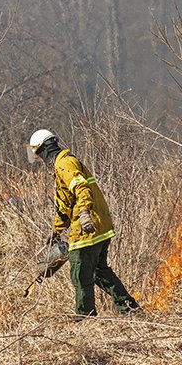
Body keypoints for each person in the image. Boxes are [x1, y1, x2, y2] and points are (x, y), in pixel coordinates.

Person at [28, 129, 140, 317]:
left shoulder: (64, 163)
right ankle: (130, 308)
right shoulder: (62, 166)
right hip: (101, 225)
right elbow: (65, 205)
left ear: (44, 149)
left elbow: (81, 188)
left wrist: (85, 213)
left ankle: (84, 317)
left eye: (39, 154)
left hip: (88, 226)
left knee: (79, 272)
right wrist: (55, 232)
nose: (40, 159)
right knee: (99, 271)